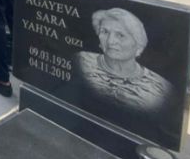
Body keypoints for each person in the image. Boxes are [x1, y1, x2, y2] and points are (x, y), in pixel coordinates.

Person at [73, 8, 175, 143]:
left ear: (138, 45)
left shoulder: (161, 88)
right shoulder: (81, 61)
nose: (110, 41)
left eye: (120, 35)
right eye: (105, 32)